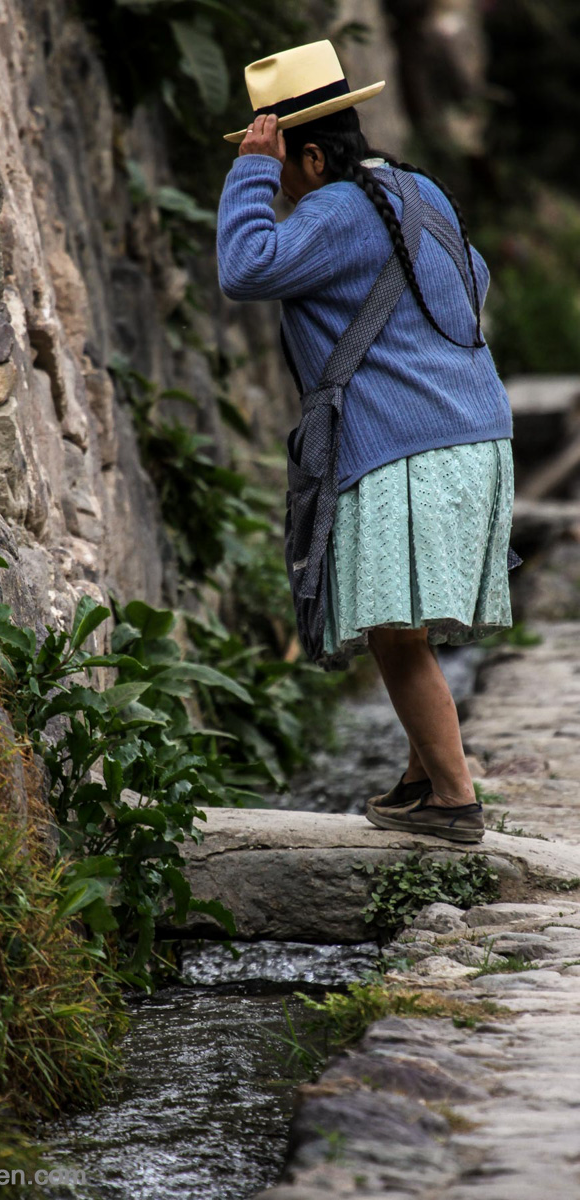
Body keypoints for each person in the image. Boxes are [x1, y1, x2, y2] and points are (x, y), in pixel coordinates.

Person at [216, 40, 519, 843]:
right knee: (407, 624)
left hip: (405, 449)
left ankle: (454, 800)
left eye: (281, 163)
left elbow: (244, 266)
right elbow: (473, 276)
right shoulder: (414, 192)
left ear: (309, 156)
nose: (277, 182)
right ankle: (421, 784)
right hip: (476, 434)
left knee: (392, 631)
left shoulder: (334, 210)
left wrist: (246, 170)